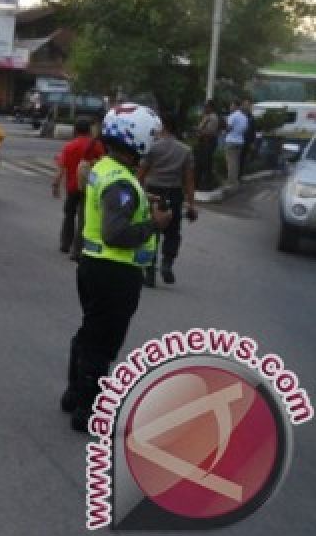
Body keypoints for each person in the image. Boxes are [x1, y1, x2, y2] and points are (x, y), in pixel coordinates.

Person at [62, 104, 173, 433]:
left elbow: (114, 206)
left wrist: (140, 200)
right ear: (136, 139)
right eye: (151, 137)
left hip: (95, 267)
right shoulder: (121, 183)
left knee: (89, 332)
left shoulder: (107, 168)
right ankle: (88, 410)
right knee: (104, 343)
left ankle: (73, 394)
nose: (154, 143)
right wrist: (155, 224)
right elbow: (117, 233)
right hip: (114, 271)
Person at [138, 114, 196, 285]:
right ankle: (167, 263)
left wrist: (138, 190)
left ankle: (149, 270)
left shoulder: (152, 148)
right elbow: (189, 180)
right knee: (172, 232)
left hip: (153, 193)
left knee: (151, 231)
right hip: (174, 194)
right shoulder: (185, 151)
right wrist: (191, 205)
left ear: (164, 127)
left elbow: (141, 173)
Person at [53, 118, 104, 259]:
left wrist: (55, 184)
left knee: (69, 215)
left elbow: (61, 168)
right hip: (90, 186)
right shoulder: (97, 145)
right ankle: (77, 250)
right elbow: (103, 164)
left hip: (72, 187)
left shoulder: (69, 146)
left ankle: (65, 243)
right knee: (83, 218)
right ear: (89, 130)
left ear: (75, 130)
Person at [194, 99, 223, 191]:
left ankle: (206, 185)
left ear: (211, 107)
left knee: (206, 164)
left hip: (208, 143)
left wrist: (199, 131)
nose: (204, 108)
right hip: (203, 143)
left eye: (206, 107)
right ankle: (198, 184)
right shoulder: (207, 116)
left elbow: (210, 132)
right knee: (200, 164)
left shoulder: (213, 117)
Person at [223, 99, 248, 189]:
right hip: (240, 141)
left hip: (231, 140)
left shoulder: (232, 116)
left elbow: (228, 128)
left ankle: (231, 181)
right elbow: (245, 130)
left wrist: (224, 132)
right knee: (236, 161)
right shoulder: (244, 117)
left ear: (236, 106)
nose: (230, 107)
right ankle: (235, 180)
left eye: (231, 105)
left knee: (230, 162)